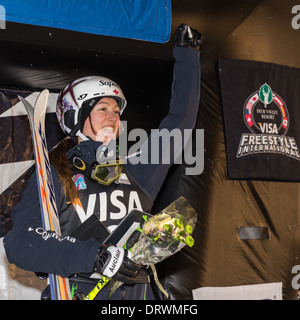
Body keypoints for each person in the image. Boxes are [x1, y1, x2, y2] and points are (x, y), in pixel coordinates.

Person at [4, 24, 201, 300]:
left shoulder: (137, 170)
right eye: (102, 109)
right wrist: (95, 256)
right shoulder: (56, 174)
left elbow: (178, 125)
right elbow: (20, 243)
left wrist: (188, 55)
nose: (113, 117)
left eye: (116, 111)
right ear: (76, 117)